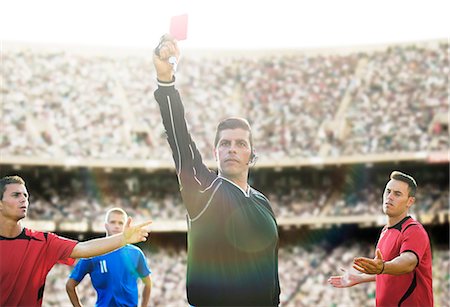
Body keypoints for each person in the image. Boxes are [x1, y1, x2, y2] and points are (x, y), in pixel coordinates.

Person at [152, 35, 280, 306]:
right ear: (216, 152)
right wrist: (166, 83)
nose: (232, 149)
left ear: (251, 155)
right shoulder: (204, 190)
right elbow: (180, 142)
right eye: (225, 144)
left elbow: (271, 270)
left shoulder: (263, 203)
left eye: (240, 144)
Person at [0, 175, 151, 307]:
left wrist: (123, 238)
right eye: (16, 195)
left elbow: (83, 249)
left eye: (25, 195)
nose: (24, 199)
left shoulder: (43, 242)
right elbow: (70, 285)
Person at [328, 171, 433, 307]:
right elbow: (389, 271)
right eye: (388, 191)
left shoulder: (413, 230)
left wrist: (383, 267)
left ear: (410, 201)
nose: (389, 197)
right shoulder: (385, 231)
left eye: (397, 194)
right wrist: (360, 278)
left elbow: (407, 263)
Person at [66, 207, 152, 307]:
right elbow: (70, 285)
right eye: (113, 222)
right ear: (106, 225)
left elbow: (148, 283)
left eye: (121, 223)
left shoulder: (136, 253)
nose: (116, 226)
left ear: (125, 227)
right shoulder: (93, 252)